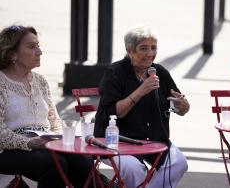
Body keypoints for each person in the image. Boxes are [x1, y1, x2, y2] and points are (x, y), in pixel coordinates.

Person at [0, 25, 113, 188]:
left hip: (44, 143)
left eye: (38, 46)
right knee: (54, 164)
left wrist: (58, 138)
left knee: (81, 160)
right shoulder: (1, 82)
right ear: (12, 54)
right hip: (8, 150)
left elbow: (55, 120)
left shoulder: (40, 81)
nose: (39, 52)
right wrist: (31, 142)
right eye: (32, 47)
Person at [94, 25, 190, 188]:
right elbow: (112, 112)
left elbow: (181, 108)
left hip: (154, 140)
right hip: (116, 141)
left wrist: (182, 106)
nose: (150, 54)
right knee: (134, 170)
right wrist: (141, 91)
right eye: (143, 48)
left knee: (179, 163)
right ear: (129, 50)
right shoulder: (115, 72)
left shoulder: (160, 72)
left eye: (153, 48)